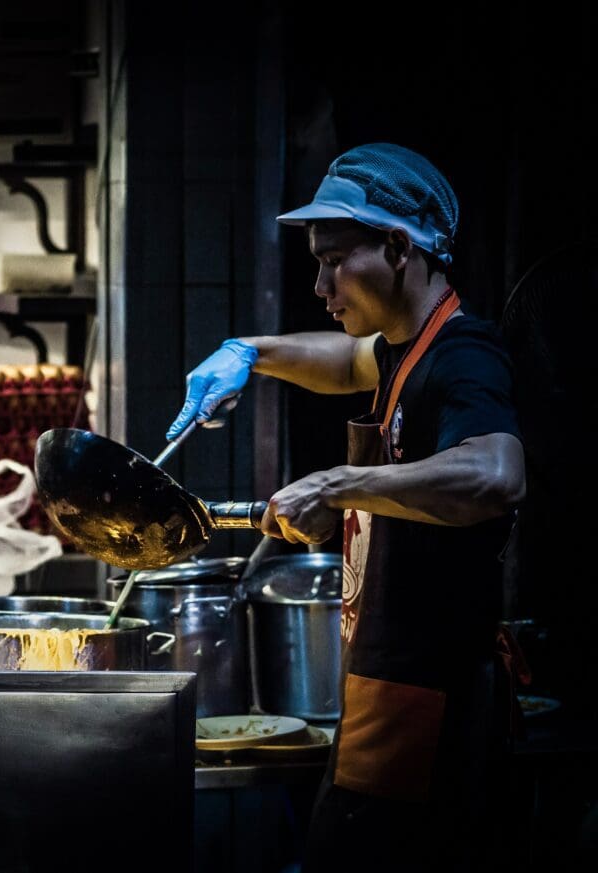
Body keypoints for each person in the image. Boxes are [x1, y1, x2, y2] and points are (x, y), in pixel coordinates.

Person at [166, 143, 526, 873]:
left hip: (432, 715)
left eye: (336, 260)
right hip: (385, 697)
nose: (322, 284)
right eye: (316, 262)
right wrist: (249, 352)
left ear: (399, 247)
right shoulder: (401, 349)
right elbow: (340, 360)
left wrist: (335, 486)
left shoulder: (464, 356)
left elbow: (496, 472)